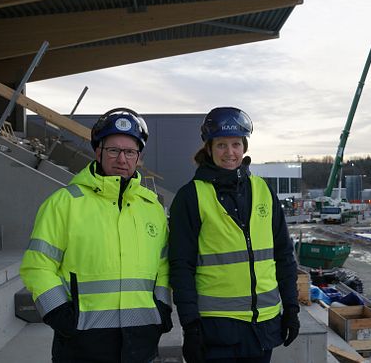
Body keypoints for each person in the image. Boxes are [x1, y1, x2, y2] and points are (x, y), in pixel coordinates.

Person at [19, 108, 172, 363]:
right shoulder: (65, 203)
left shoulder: (152, 208)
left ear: (139, 157)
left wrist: (162, 309)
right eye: (113, 150)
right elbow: (37, 266)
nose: (121, 159)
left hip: (141, 340)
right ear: (98, 151)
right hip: (82, 343)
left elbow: (164, 266)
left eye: (130, 151)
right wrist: (60, 315)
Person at [168, 107, 299, 363]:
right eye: (221, 145)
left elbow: (283, 254)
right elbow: (181, 266)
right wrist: (190, 326)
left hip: (263, 327)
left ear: (245, 146)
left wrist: (291, 309)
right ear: (209, 148)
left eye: (236, 144)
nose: (230, 152)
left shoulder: (263, 190)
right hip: (216, 331)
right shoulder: (190, 197)